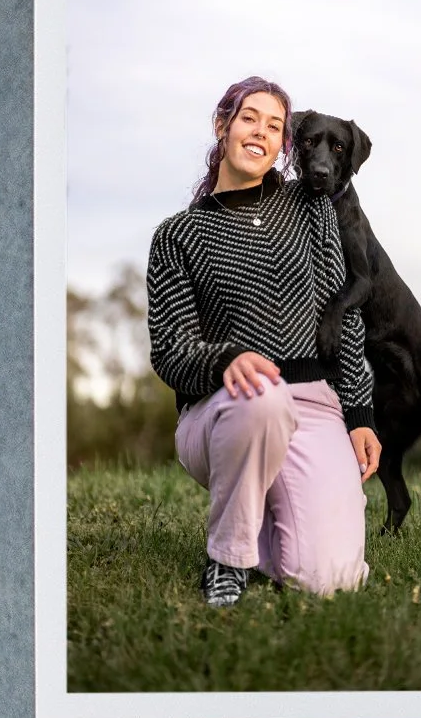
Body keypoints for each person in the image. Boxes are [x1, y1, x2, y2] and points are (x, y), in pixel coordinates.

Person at [146, 76, 381, 607]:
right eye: (249, 117)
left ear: (284, 145)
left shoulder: (311, 209)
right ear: (222, 125)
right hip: (225, 411)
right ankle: (227, 560)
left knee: (329, 581)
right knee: (263, 399)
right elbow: (170, 349)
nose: (260, 132)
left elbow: (341, 316)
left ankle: (265, 524)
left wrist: (360, 413)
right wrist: (226, 357)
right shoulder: (178, 236)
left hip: (314, 405)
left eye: (274, 126)